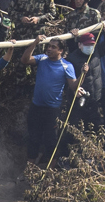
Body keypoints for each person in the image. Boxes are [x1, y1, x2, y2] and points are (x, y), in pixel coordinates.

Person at [21, 35, 78, 167]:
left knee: (50, 141)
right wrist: (35, 42)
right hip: (36, 107)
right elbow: (25, 60)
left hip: (52, 110)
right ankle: (29, 170)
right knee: (33, 139)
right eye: (49, 46)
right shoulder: (42, 59)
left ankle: (49, 171)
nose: (49, 49)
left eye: (54, 47)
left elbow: (73, 86)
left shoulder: (66, 66)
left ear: (61, 51)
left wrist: (83, 74)